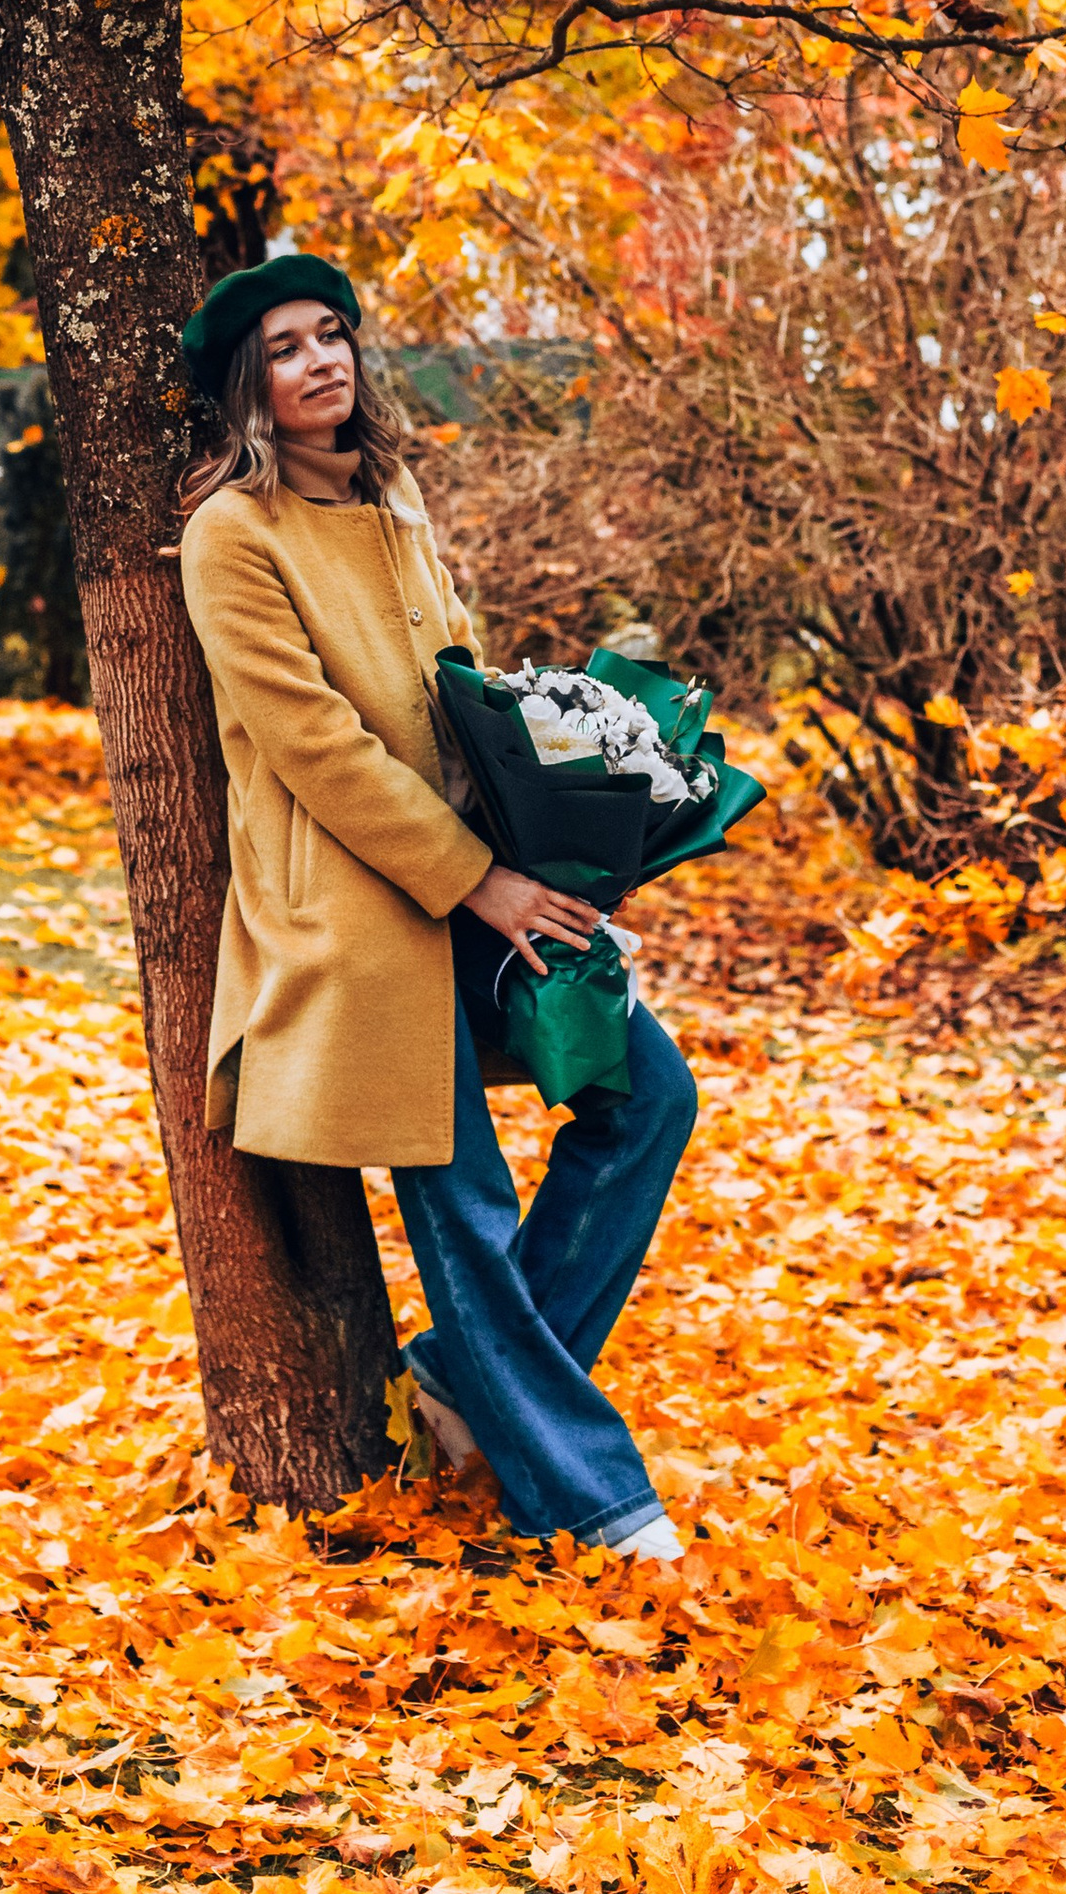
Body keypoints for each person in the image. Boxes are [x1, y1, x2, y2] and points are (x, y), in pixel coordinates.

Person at [176, 253, 697, 1562]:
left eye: (333, 336)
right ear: (250, 384)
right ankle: (590, 1498)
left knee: (649, 1098)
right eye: (287, 348)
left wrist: (571, 851)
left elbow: (458, 708)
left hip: (481, 881)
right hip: (352, 914)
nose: (320, 361)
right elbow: (319, 749)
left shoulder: (392, 499)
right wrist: (480, 883)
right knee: (458, 1198)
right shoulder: (232, 537)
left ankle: (465, 1384)